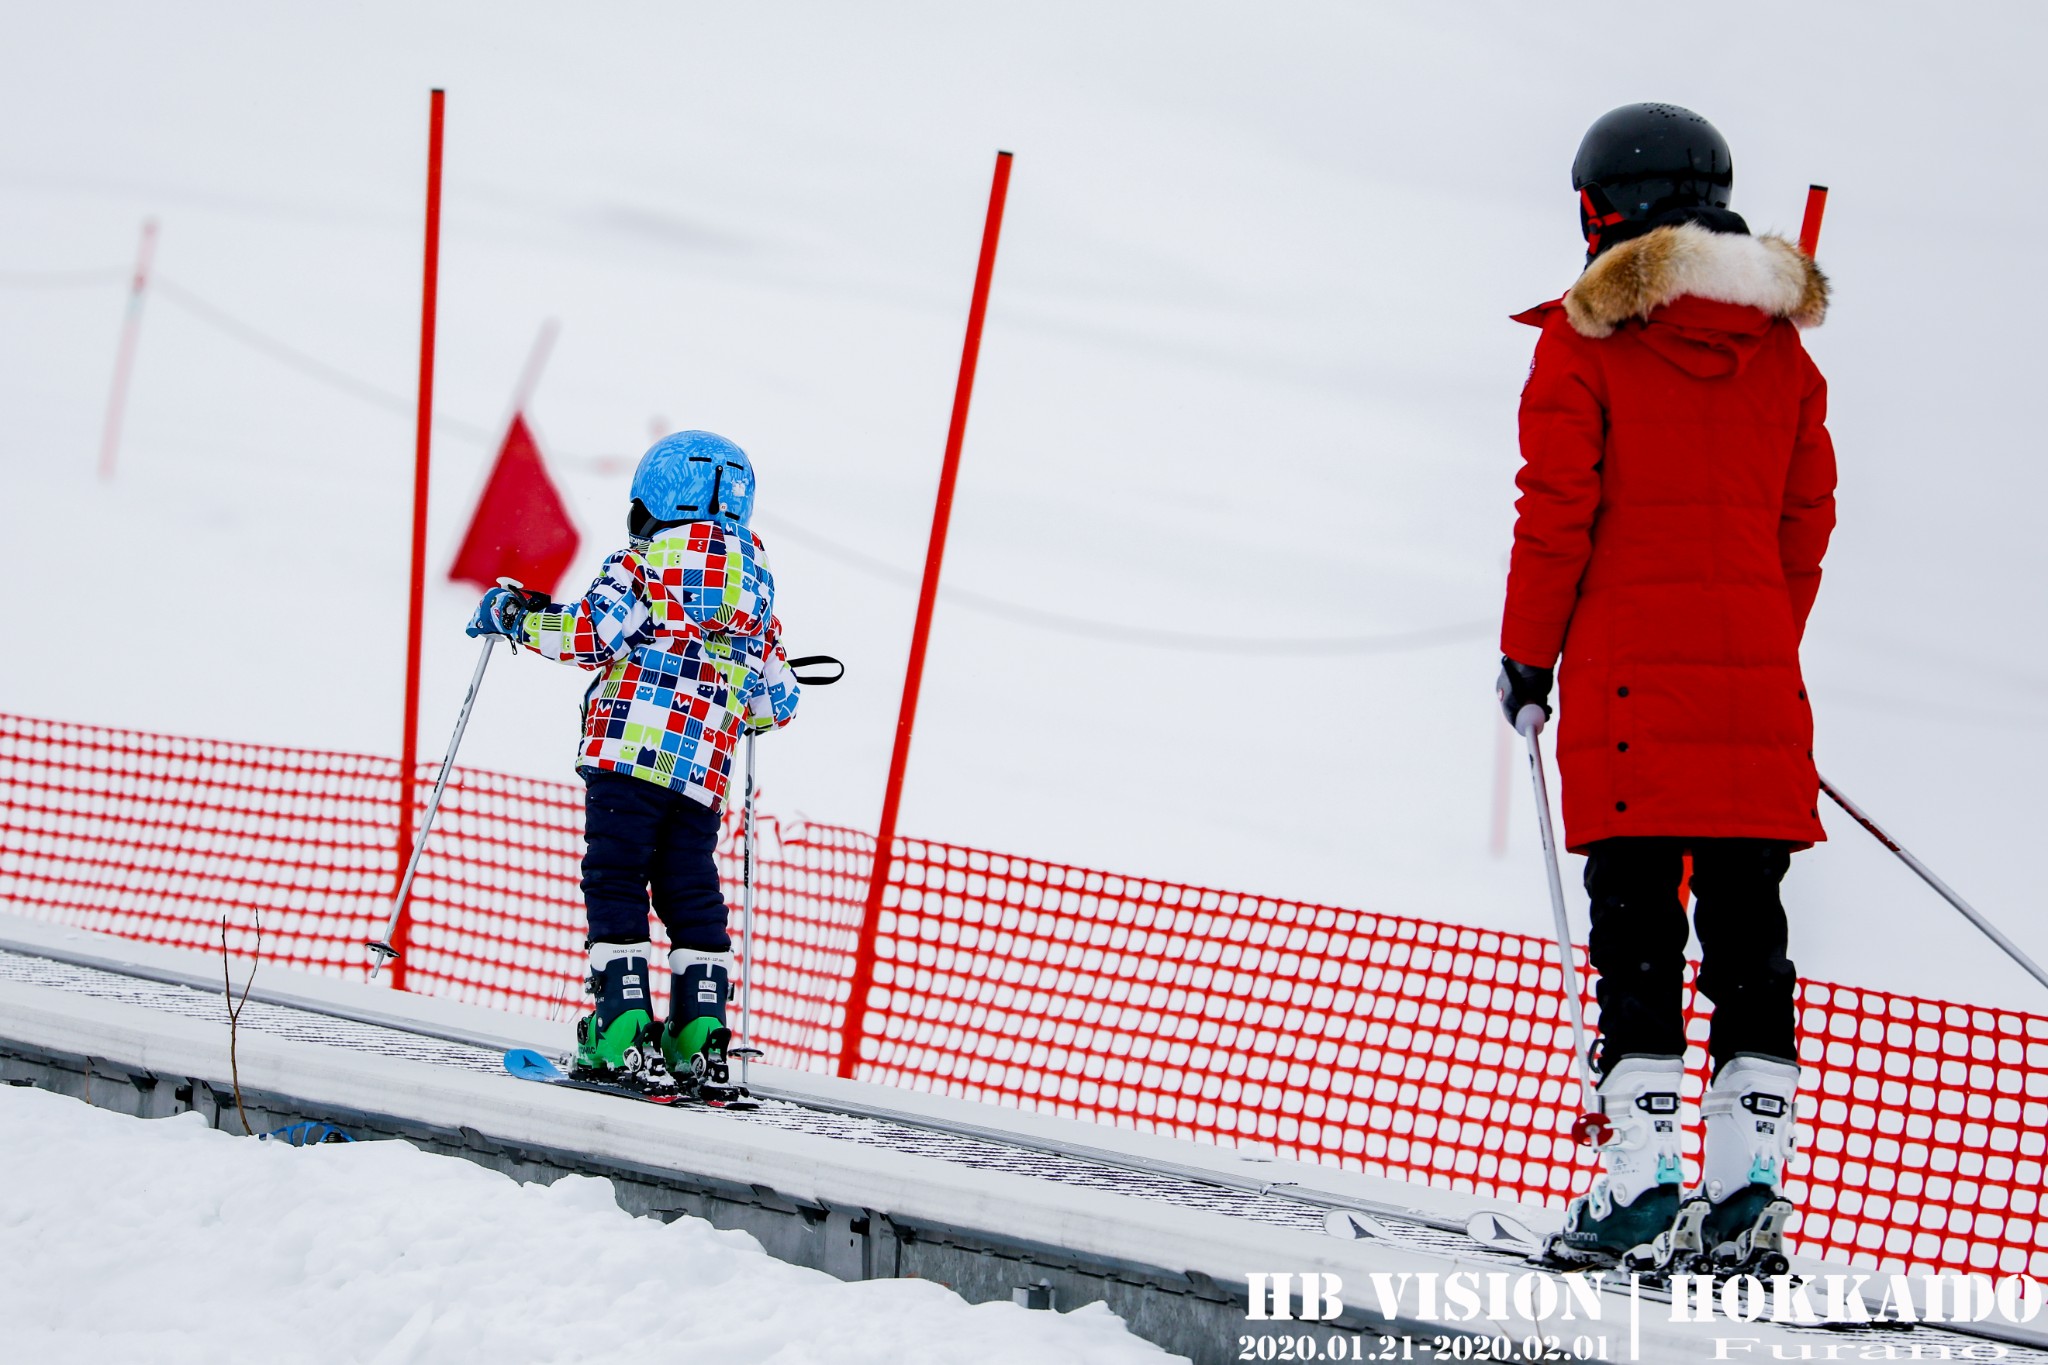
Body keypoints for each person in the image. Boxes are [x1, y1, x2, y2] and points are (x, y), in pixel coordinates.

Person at [1496, 103, 1834, 1271]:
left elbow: (1555, 520)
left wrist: (1525, 658)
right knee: (1750, 947)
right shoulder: (1784, 353)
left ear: (1602, 210)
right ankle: (1746, 1205)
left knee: (1635, 943)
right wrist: (1748, 658)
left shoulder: (1582, 345)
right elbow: (1804, 529)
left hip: (1631, 700)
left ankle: (1638, 1195)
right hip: (1757, 700)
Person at [467, 430, 799, 1099]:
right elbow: (773, 701)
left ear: (652, 500)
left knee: (615, 875)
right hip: (702, 774)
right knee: (688, 886)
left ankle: (621, 1024)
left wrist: (518, 617)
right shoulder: (757, 590)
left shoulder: (642, 566)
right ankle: (698, 1032)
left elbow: (589, 635)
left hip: (628, 757)